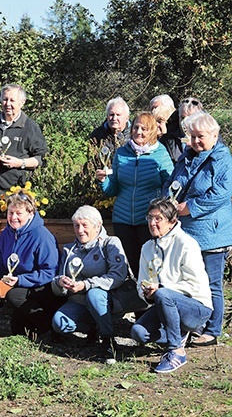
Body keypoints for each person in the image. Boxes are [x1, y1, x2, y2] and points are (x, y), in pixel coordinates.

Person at [163, 111, 232, 347]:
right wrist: (168, 200)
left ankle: (212, 330)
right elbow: (172, 182)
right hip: (187, 232)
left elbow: (221, 194)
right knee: (189, 281)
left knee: (211, 283)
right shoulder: (186, 157)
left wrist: (189, 207)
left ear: (214, 135)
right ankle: (194, 324)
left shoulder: (222, 159)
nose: (195, 142)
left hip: (211, 233)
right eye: (191, 137)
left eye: (200, 136)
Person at [131, 198, 212, 373]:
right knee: (138, 332)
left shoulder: (187, 244)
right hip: (164, 303)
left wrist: (161, 288)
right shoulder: (146, 248)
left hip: (197, 307)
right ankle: (177, 333)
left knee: (163, 294)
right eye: (150, 218)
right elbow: (141, 282)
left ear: (172, 222)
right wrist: (146, 293)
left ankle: (176, 351)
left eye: (158, 219)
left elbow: (195, 285)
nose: (152, 223)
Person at [96, 112, 174, 277]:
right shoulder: (121, 153)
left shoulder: (160, 153)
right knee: (131, 266)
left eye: (144, 129)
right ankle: (135, 300)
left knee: (150, 264)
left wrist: (161, 210)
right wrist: (103, 181)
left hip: (149, 220)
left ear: (152, 131)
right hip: (123, 219)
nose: (139, 132)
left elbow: (170, 187)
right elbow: (113, 189)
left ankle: (152, 298)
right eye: (136, 127)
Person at [50, 205, 130, 360]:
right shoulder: (69, 250)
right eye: (76, 226)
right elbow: (57, 282)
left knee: (94, 294)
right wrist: (60, 283)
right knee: (59, 323)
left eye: (84, 225)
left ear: (97, 225)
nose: (80, 230)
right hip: (78, 301)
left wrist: (86, 284)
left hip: (106, 299)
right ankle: (94, 327)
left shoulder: (111, 243)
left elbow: (118, 275)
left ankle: (108, 340)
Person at [0, 192, 59, 336]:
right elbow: (2, 266)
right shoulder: (6, 234)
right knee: (18, 330)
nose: (13, 218)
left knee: (13, 295)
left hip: (43, 288)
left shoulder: (42, 235)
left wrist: (21, 280)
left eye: (18, 213)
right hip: (22, 287)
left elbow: (50, 272)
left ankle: (49, 327)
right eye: (10, 213)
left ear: (30, 213)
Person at [0, 83, 49, 217]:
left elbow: (41, 159)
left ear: (22, 102)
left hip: (18, 195)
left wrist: (20, 163)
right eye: (5, 99)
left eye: (12, 100)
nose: (8, 104)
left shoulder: (30, 127)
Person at [160, 97, 204, 164]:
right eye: (182, 117)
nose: (185, 122)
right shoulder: (168, 138)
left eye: (190, 118)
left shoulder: (209, 138)